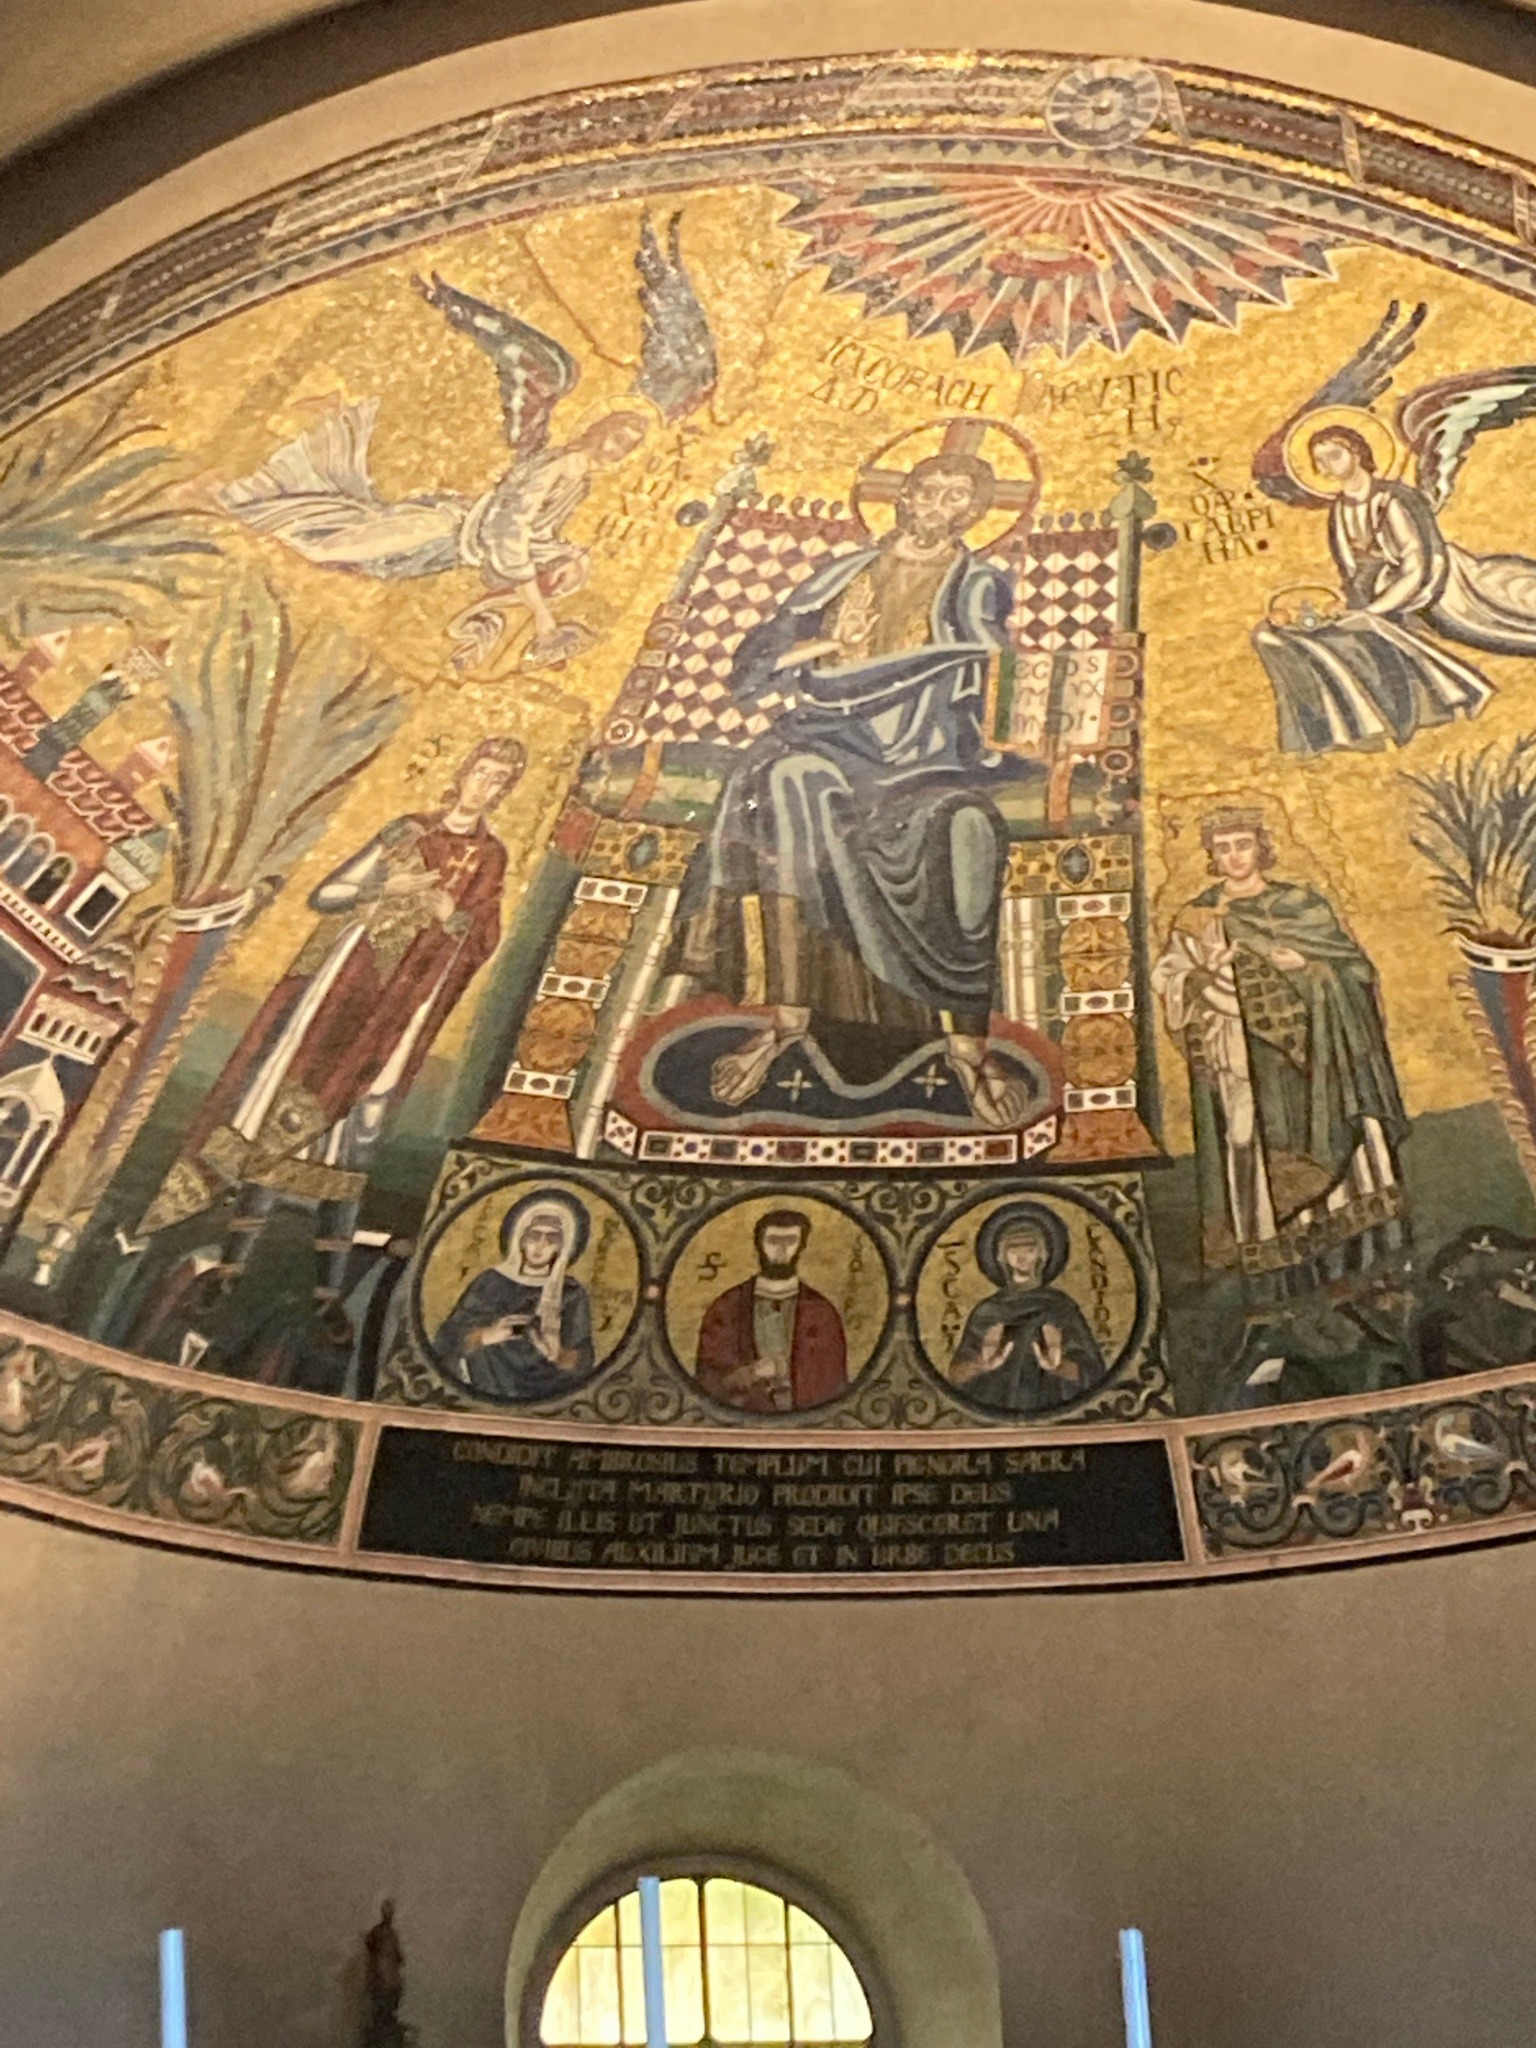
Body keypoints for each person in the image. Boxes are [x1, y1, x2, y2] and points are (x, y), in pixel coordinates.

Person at [665, 450, 1027, 1124]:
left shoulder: (978, 583)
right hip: (827, 738)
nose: (939, 505)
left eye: (958, 496)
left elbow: (993, 669)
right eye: (928, 489)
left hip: (927, 759)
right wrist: (825, 652)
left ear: (975, 513)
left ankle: (968, 1044)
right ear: (903, 496)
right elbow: (754, 668)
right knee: (789, 782)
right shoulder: (842, 574)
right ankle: (786, 1015)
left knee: (967, 829)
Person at [134, 736, 522, 1355]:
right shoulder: (406, 830)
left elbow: (482, 938)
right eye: (482, 770)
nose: (487, 785)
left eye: (500, 779)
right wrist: (386, 887)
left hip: (398, 1013)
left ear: (506, 791)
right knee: (285, 1117)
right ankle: (231, 1267)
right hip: (339, 993)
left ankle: (327, 1292)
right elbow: (327, 895)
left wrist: (449, 908)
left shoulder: (491, 857)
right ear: (464, 771)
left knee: (355, 1137)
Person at [1151, 805, 1409, 1294]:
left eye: (1243, 845)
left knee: (1335, 1143)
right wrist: (1210, 971)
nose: (1234, 857)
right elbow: (1170, 978)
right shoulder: (1198, 916)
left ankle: (1359, 1260)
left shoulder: (1303, 905)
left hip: (1318, 1056)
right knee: (1257, 1145)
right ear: (1211, 855)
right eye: (1223, 849)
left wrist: (1308, 968)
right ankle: (1279, 1272)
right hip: (1245, 1057)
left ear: (1262, 847)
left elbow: (1356, 971)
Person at [1251, 422, 1536, 756]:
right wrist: (1347, 605)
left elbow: (1418, 565)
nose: (1327, 466)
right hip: (1386, 596)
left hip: (1449, 584)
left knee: (1507, 610)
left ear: (1357, 453)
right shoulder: (1341, 509)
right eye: (1320, 461)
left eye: (1334, 455)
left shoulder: (1394, 499)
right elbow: (1352, 571)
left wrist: (1375, 610)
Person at [435, 1191, 596, 1401]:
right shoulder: (490, 1281)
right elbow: (447, 1339)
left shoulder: (571, 1292)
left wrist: (557, 1354)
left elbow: (583, 1359)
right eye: (534, 1235)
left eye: (552, 1239)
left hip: (545, 1382)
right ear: (520, 1237)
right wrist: (486, 1336)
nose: (540, 1246)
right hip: (488, 1375)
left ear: (563, 1246)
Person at [948, 1202, 1107, 1413]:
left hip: (1050, 1403)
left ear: (1042, 1254)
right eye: (1013, 1248)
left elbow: (1094, 1373)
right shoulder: (987, 1311)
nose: (1021, 1256)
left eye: (1030, 1249)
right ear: (1001, 1255)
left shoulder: (1061, 1307)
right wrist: (982, 1365)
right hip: (997, 1406)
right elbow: (955, 1375)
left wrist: (1059, 1366)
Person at [693, 1208, 848, 1412]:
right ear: (759, 1244)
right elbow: (708, 1381)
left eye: (790, 1241)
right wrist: (750, 1374)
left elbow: (834, 1383)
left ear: (802, 1245)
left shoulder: (821, 1312)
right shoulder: (728, 1306)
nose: (781, 1250)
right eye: (773, 1241)